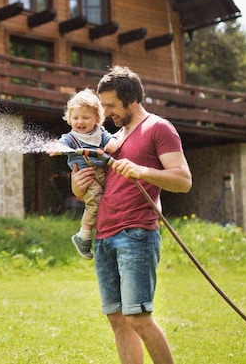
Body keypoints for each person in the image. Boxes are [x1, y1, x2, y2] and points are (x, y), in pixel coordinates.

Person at [71, 66, 192, 364]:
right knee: (117, 318)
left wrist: (142, 170)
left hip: (136, 234)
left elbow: (183, 180)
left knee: (137, 317)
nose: (105, 112)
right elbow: (93, 187)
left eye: (110, 105)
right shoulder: (113, 138)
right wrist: (77, 187)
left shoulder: (158, 128)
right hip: (104, 236)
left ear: (131, 100)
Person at [51, 88, 119, 260]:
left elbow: (111, 139)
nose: (80, 122)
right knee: (94, 203)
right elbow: (61, 143)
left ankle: (100, 235)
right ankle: (83, 236)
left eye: (85, 117)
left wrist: (112, 142)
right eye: (75, 118)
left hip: (103, 172)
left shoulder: (100, 133)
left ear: (97, 118)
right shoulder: (71, 138)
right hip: (86, 175)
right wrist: (56, 148)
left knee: (106, 202)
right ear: (69, 119)